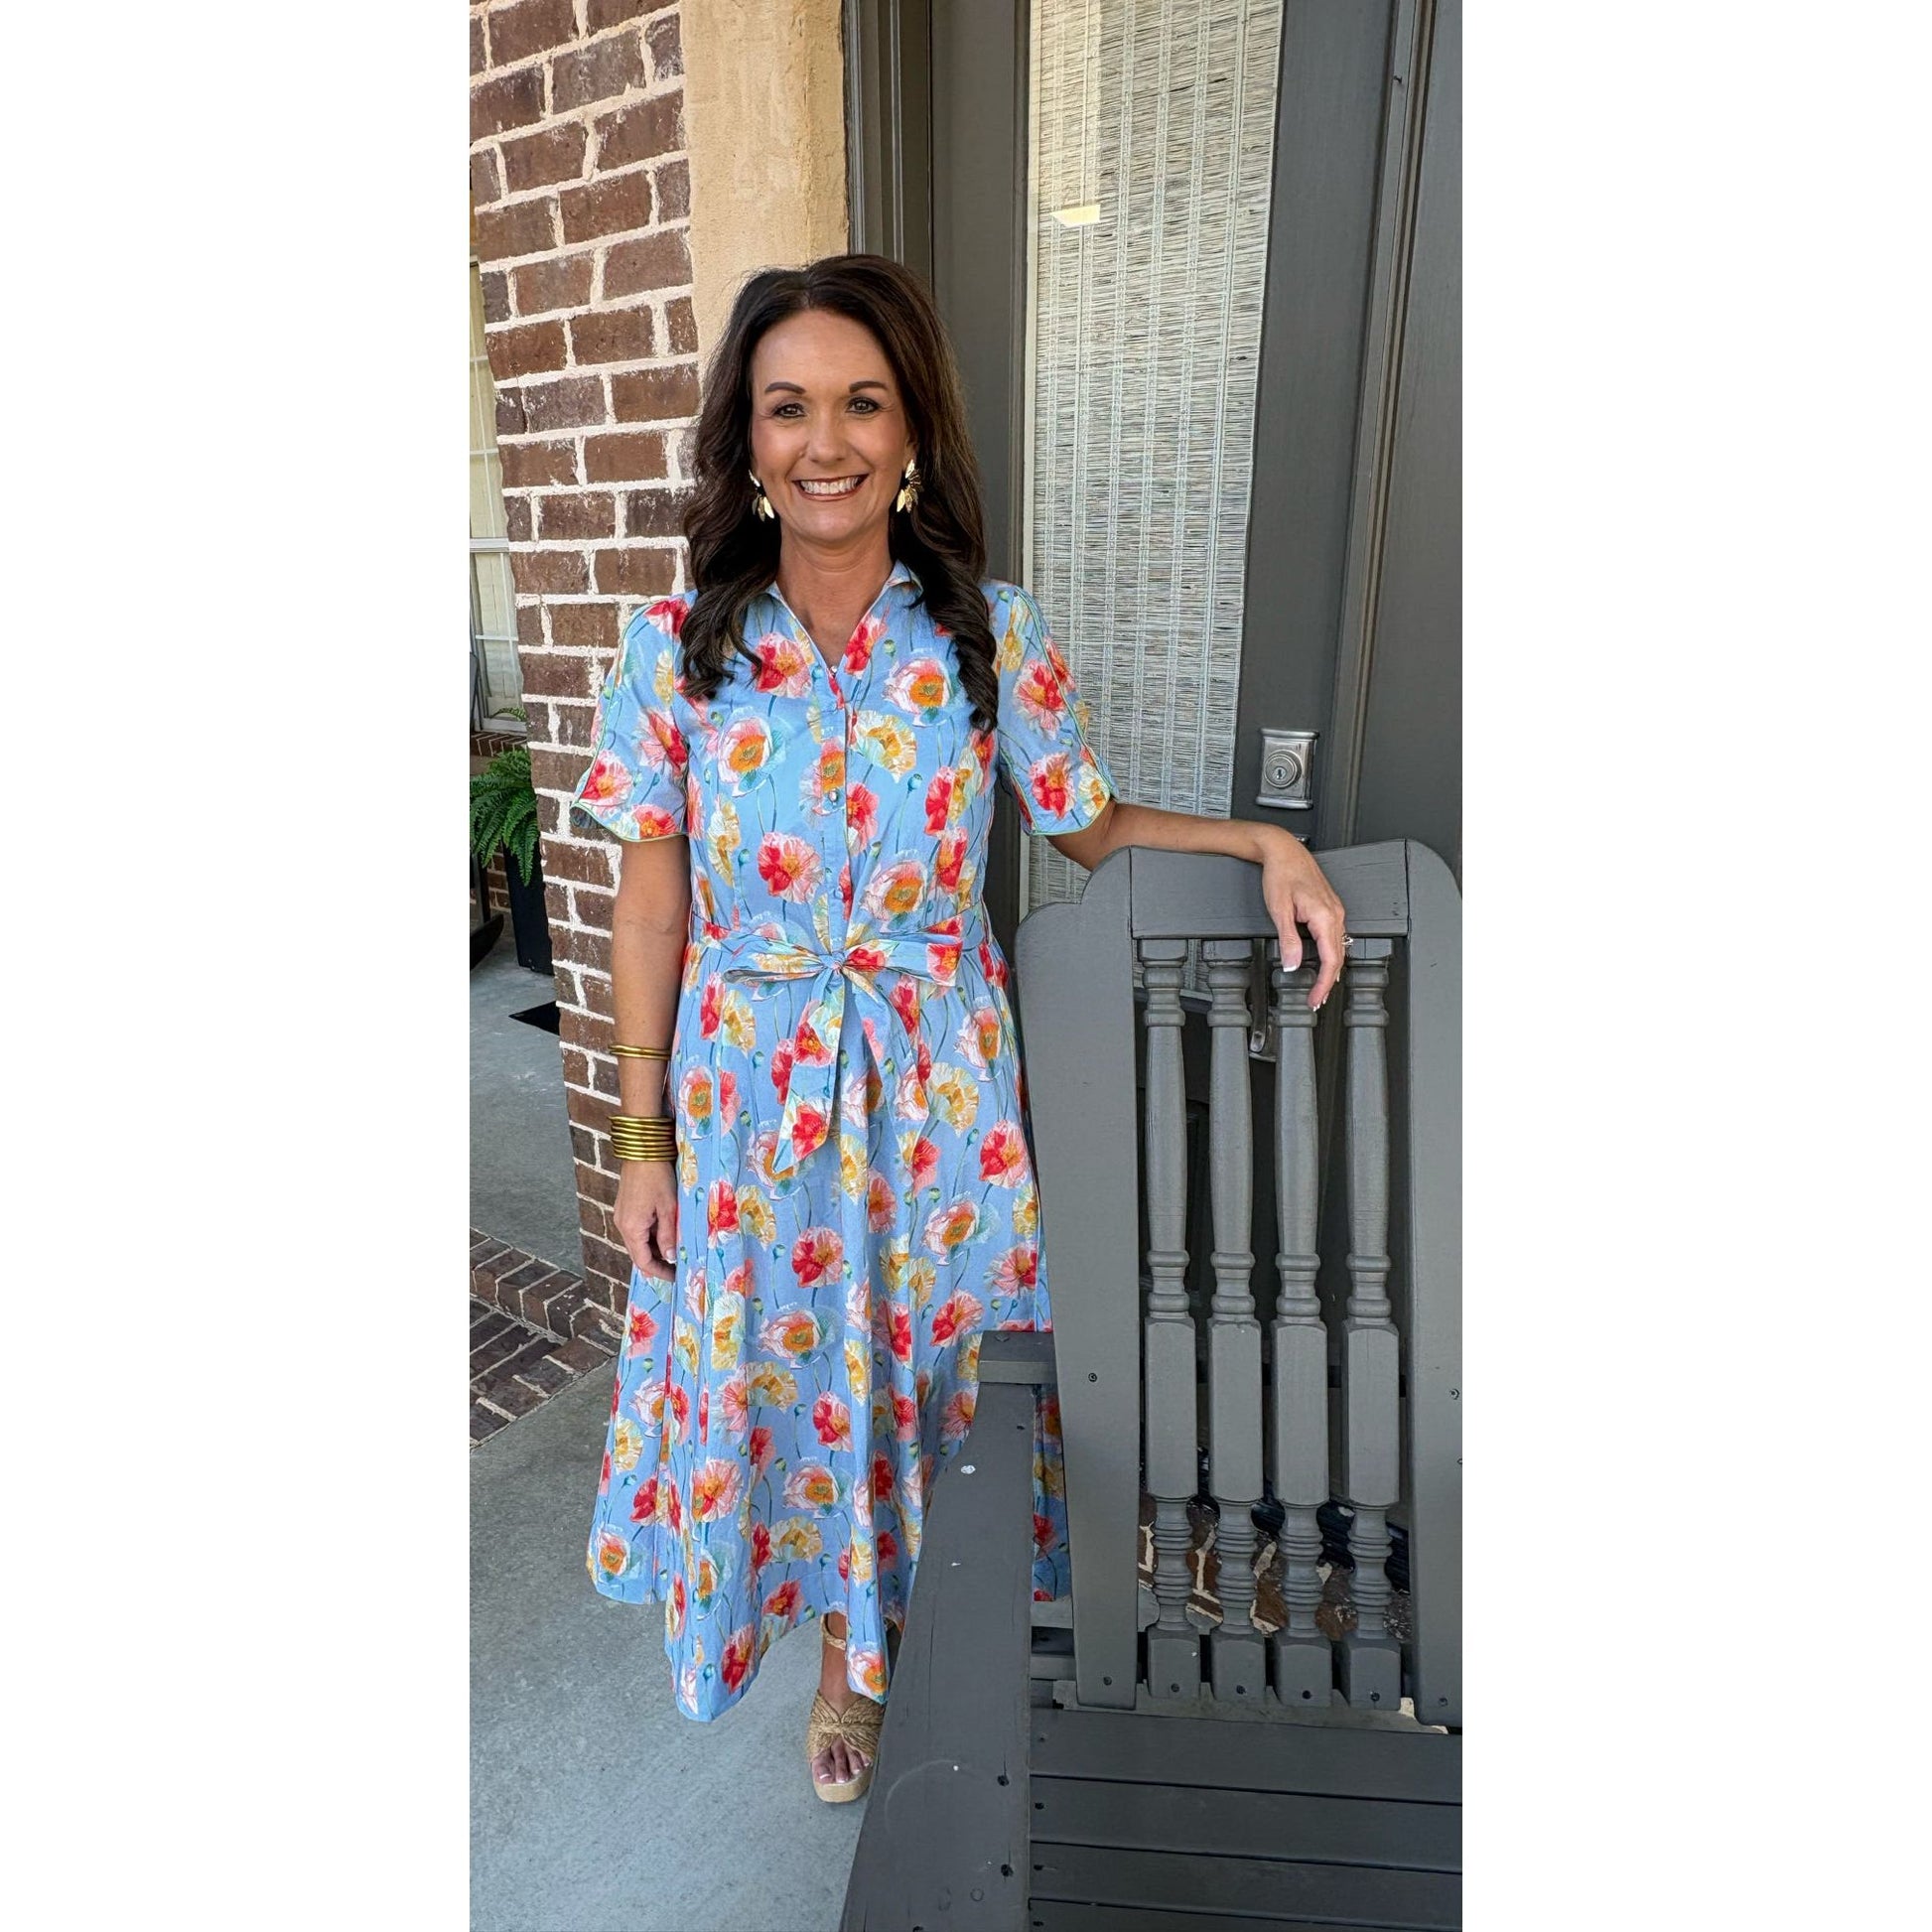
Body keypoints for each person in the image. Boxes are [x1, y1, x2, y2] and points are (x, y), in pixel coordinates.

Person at [567, 252, 1347, 1802]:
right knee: (779, 1375)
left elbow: (1086, 824)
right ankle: (832, 1650)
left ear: (912, 427)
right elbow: (650, 910)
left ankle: (885, 1649)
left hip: (935, 1098)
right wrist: (641, 1134)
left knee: (929, 1375)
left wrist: (1258, 840)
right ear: (746, 439)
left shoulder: (987, 634)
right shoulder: (674, 648)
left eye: (862, 402)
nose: (826, 440)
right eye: (787, 407)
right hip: (748, 1101)